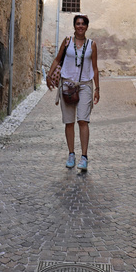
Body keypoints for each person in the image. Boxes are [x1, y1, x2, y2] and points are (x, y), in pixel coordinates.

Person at [46, 14, 99, 172]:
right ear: (74, 25)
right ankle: (71, 154)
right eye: (78, 23)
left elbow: (95, 68)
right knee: (69, 122)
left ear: (87, 27)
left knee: (83, 120)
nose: (80, 26)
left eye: (83, 24)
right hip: (67, 85)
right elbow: (57, 59)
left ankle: (84, 157)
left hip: (85, 85)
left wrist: (98, 88)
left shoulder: (92, 45)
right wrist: (49, 75)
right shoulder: (67, 41)